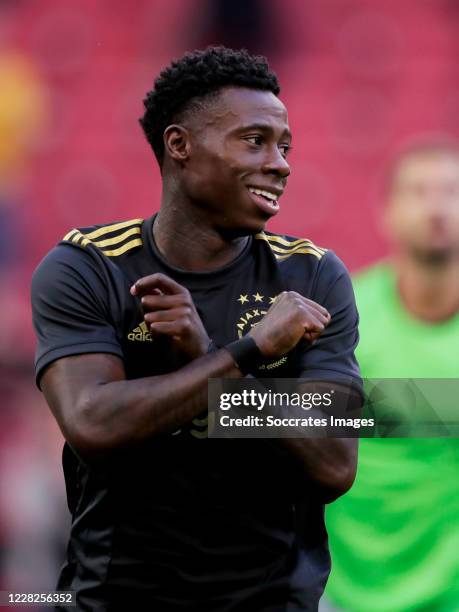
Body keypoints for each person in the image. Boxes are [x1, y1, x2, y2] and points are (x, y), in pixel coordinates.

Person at [31, 47, 361, 611]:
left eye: (284, 146)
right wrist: (248, 351)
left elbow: (334, 462)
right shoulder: (89, 266)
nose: (280, 163)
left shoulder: (311, 274)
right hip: (115, 596)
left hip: (271, 600)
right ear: (179, 146)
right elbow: (93, 422)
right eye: (254, 140)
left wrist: (208, 354)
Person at [324, 139, 459, 611]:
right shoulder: (343, 317)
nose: (436, 207)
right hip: (343, 586)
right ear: (388, 212)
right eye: (418, 192)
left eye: (450, 192)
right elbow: (280, 418)